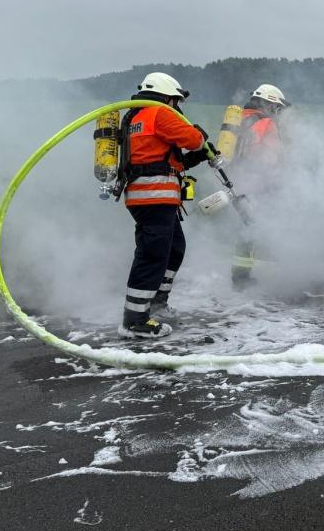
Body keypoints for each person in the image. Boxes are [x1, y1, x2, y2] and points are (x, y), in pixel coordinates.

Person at [118, 71, 218, 338]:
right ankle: (134, 320)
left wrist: (193, 160)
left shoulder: (135, 117)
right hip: (154, 195)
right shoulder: (159, 113)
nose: (177, 106)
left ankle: (157, 303)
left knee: (174, 248)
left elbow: (158, 161)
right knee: (152, 255)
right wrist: (200, 137)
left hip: (149, 195)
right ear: (167, 97)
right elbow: (193, 140)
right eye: (176, 101)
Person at [231, 83, 288, 287]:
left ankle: (241, 275)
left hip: (238, 182)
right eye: (277, 108)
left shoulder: (240, 119)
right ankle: (242, 279)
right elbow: (269, 158)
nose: (278, 113)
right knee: (254, 229)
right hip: (258, 184)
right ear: (269, 104)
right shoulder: (266, 123)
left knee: (246, 229)